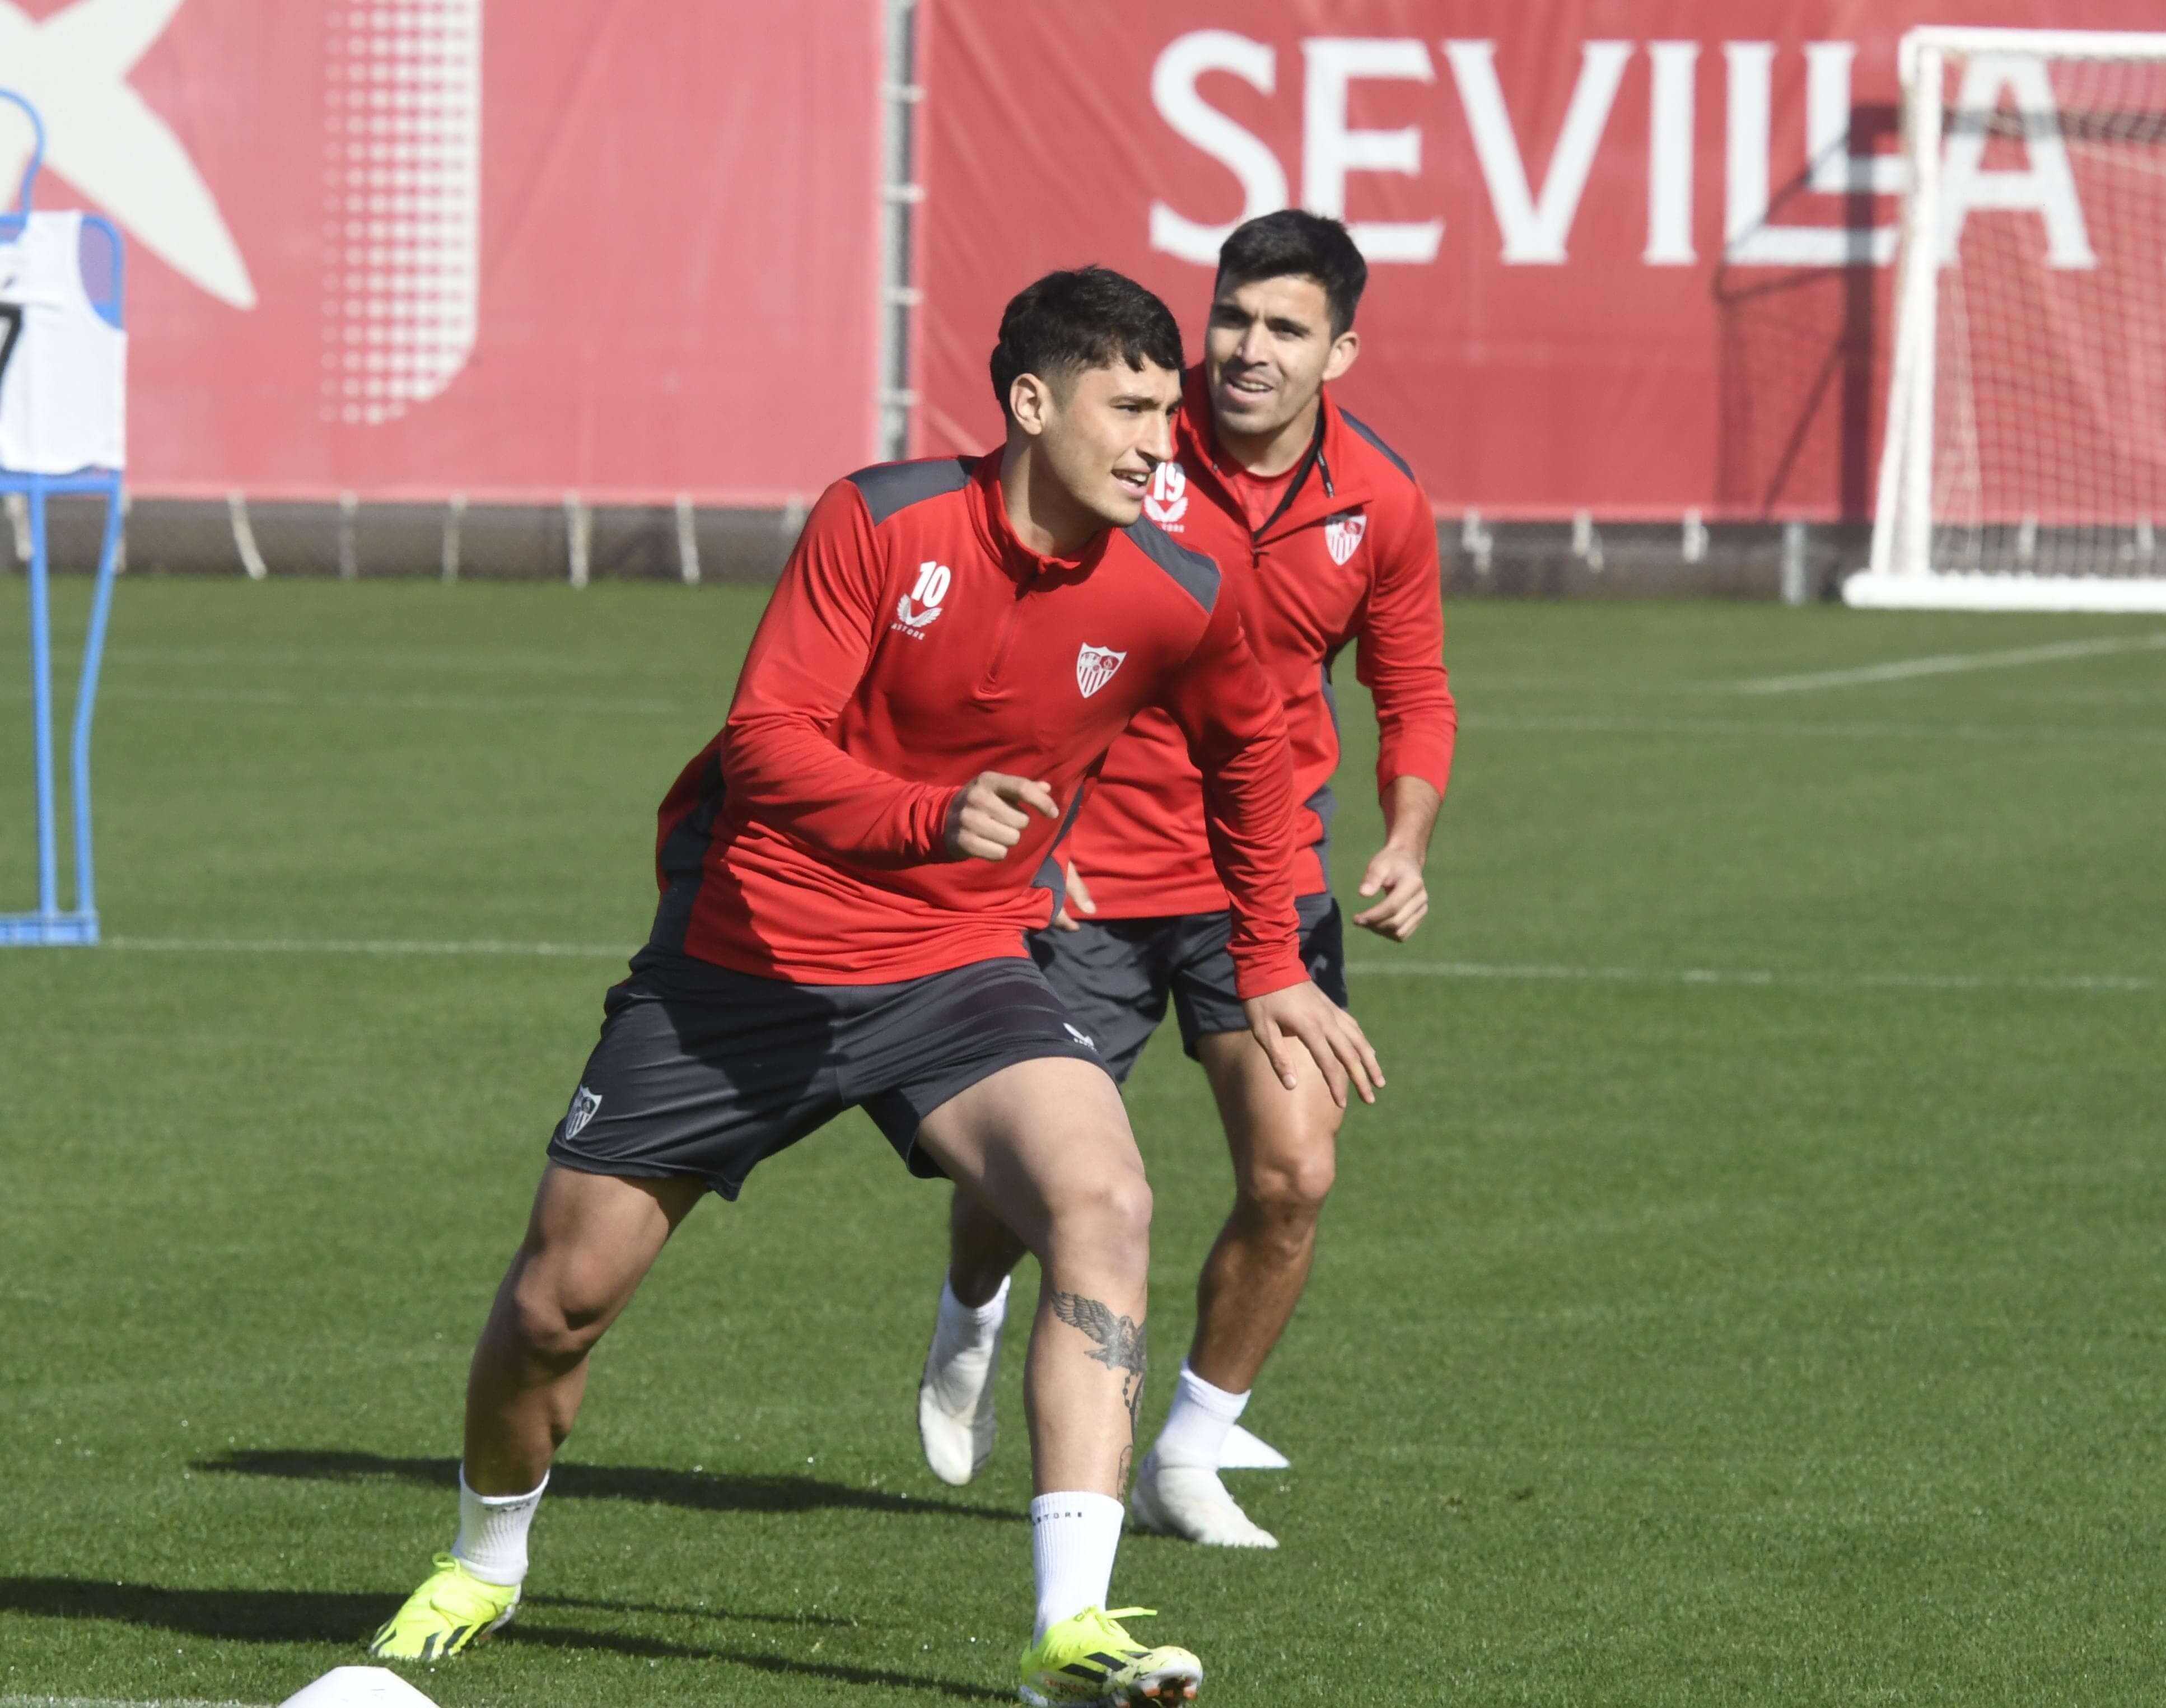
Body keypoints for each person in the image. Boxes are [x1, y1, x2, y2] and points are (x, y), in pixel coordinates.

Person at [367, 265, 1380, 1707]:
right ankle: (482, 1556)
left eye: (1171, 408)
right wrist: (926, 814)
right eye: (1133, 405)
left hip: (961, 966)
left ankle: (1070, 1620)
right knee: (555, 1307)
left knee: (1108, 1200)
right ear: (1032, 403)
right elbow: (766, 739)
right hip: (746, 964)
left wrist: (1271, 963)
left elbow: (1254, 766)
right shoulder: (881, 519)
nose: (1167, 437)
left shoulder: (1180, 584)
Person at [916, 212, 1454, 1550]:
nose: (1247, 350)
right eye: (1232, 318)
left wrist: (1404, 837)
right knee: (1018, 1184)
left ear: (1342, 350)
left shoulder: (1380, 500)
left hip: (1264, 883)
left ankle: (1189, 1452)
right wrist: (1026, 842)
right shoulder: (1127, 451)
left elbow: (1416, 690)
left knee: (1297, 1174)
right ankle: (969, 1312)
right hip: (1087, 877)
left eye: (1284, 328)